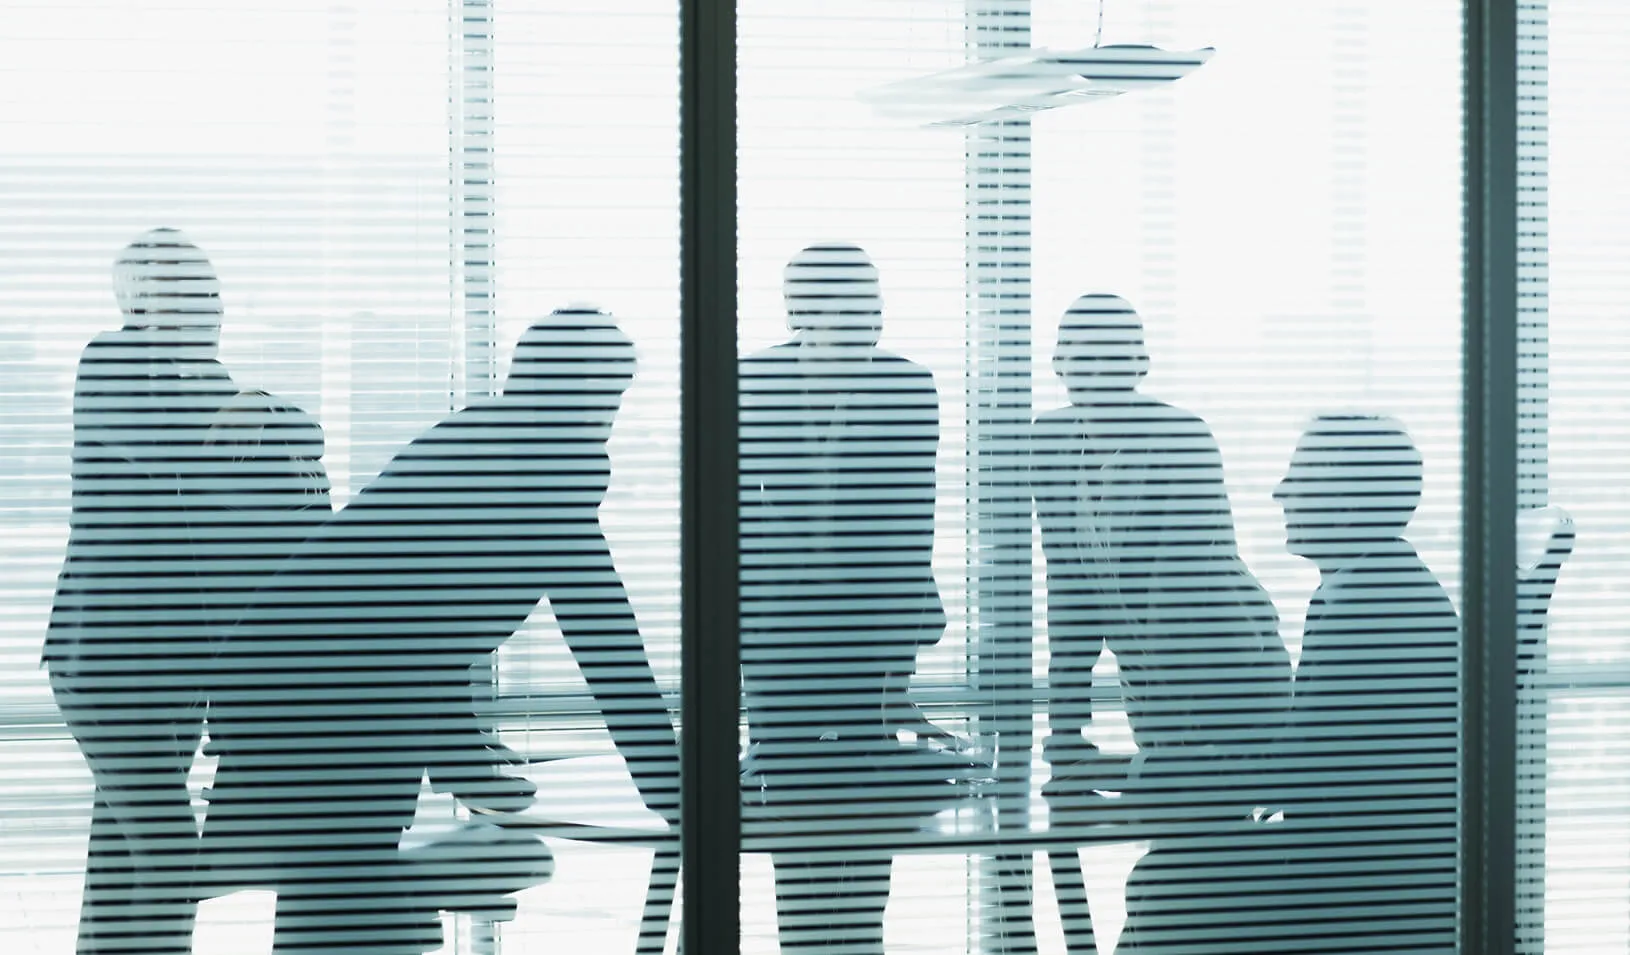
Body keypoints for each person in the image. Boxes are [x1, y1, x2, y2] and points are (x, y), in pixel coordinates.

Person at [202, 308, 674, 953]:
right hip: (331, 696)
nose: (609, 419)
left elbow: (422, 612)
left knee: (329, 898)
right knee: (344, 901)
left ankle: (413, 889)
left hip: (300, 680)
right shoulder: (545, 459)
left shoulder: (488, 438)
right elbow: (600, 630)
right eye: (607, 394)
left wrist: (466, 766)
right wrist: (672, 783)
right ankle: (422, 885)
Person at [44, 228, 330, 955]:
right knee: (172, 856)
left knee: (125, 862)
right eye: (191, 288)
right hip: (108, 660)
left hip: (173, 669)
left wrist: (259, 406)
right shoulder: (113, 360)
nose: (213, 303)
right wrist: (250, 418)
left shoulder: (215, 384)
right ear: (144, 301)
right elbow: (169, 444)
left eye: (212, 287)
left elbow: (307, 435)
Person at [739, 243, 965, 955]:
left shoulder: (908, 387)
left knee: (862, 839)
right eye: (852, 306)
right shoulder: (751, 381)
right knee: (794, 829)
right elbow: (733, 523)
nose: (871, 319)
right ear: (800, 312)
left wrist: (896, 673)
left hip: (867, 632)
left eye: (876, 303)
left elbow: (911, 528)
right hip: (777, 634)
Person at [1030, 295, 1289, 814]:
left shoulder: (1181, 438)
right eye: (1081, 353)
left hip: (1224, 666)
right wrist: (1065, 731)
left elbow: (1178, 585)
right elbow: (1069, 594)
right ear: (1057, 362)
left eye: (1113, 352)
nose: (1097, 368)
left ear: (1141, 362)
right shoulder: (1050, 440)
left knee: (1217, 823)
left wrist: (1127, 768)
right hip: (1147, 681)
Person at [1268, 414, 1459, 952]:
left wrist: (1142, 772)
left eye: (1298, 477)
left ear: (1348, 503)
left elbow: (1291, 768)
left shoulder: (1368, 606)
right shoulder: (1382, 586)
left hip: (1363, 899)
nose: (1278, 491)